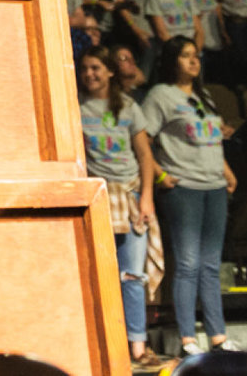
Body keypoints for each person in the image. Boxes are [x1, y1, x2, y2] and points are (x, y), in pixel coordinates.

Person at [135, 36, 238, 357]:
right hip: (184, 189)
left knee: (210, 265)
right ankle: (187, 339)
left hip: (214, 187)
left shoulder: (204, 96)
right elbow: (142, 141)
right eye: (185, 56)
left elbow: (211, 140)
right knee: (189, 263)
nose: (194, 61)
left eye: (196, 56)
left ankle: (218, 337)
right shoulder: (160, 96)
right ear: (170, 61)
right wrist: (161, 175)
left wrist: (227, 172)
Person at [78, 50, 166, 370]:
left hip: (128, 194)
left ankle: (138, 346)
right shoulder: (75, 107)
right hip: (99, 194)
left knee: (132, 274)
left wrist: (146, 198)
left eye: (97, 68)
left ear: (111, 72)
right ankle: (107, 345)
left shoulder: (128, 107)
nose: (90, 74)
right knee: (103, 274)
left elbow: (144, 155)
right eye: (85, 68)